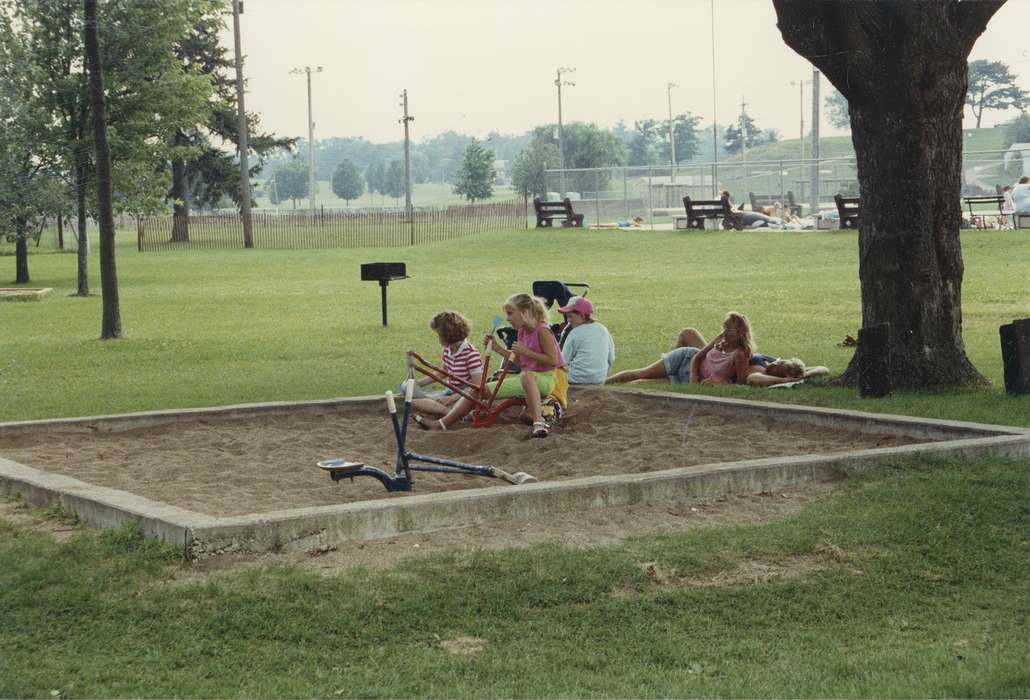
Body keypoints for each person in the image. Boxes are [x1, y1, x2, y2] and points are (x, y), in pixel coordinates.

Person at [415, 293, 565, 438]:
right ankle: (441, 424)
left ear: (524, 312)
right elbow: (522, 363)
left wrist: (526, 351)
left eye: (510, 313)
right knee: (477, 391)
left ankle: (538, 422)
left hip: (545, 380)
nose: (507, 318)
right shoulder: (522, 332)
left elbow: (553, 361)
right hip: (526, 378)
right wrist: (497, 348)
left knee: (526, 375)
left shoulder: (543, 331)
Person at [606, 311, 754, 385]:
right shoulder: (720, 338)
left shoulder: (739, 355)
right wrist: (693, 379)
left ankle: (604, 387)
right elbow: (698, 357)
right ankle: (601, 383)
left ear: (740, 333)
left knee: (641, 383)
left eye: (729, 330)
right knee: (640, 373)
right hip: (685, 359)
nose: (724, 332)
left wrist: (719, 384)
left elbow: (741, 385)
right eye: (724, 328)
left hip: (686, 379)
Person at [410, 311, 483, 416]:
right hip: (450, 391)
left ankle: (452, 413)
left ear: (447, 335)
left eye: (438, 335)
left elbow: (476, 387)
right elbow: (442, 372)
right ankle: (451, 412)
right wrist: (417, 384)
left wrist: (450, 399)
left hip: (466, 396)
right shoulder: (447, 349)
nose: (437, 338)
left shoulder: (471, 354)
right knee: (413, 402)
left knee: (425, 403)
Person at [558, 296, 614, 385]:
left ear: (582, 315)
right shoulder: (603, 329)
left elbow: (563, 361)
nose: (568, 320)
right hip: (599, 379)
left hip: (574, 379)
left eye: (570, 316)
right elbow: (611, 358)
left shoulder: (575, 332)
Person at [745, 357, 830, 386]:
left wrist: (785, 380)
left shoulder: (764, 373)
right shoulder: (775, 363)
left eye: (777, 368)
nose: (774, 364)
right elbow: (824, 368)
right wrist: (805, 374)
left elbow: (751, 378)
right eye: (780, 361)